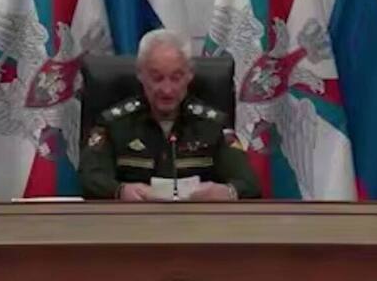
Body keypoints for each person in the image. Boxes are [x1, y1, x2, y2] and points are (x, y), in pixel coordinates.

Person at [79, 29, 260, 200]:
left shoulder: (213, 124)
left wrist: (226, 192)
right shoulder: (114, 123)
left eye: (176, 78)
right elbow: (89, 178)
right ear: (140, 74)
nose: (167, 90)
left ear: (189, 75)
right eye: (157, 78)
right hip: (133, 219)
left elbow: (249, 184)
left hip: (198, 220)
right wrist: (120, 191)